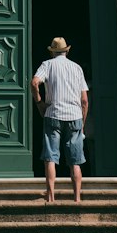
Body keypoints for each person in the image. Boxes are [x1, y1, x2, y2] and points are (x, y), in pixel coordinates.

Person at [31, 36, 89, 203]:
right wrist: (82, 123)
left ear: (52, 52)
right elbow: (84, 100)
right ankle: (77, 198)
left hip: (53, 115)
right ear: (67, 50)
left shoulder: (47, 65)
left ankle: (51, 197)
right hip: (74, 116)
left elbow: (34, 83)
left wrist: (39, 103)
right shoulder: (77, 68)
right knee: (75, 161)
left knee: (50, 158)